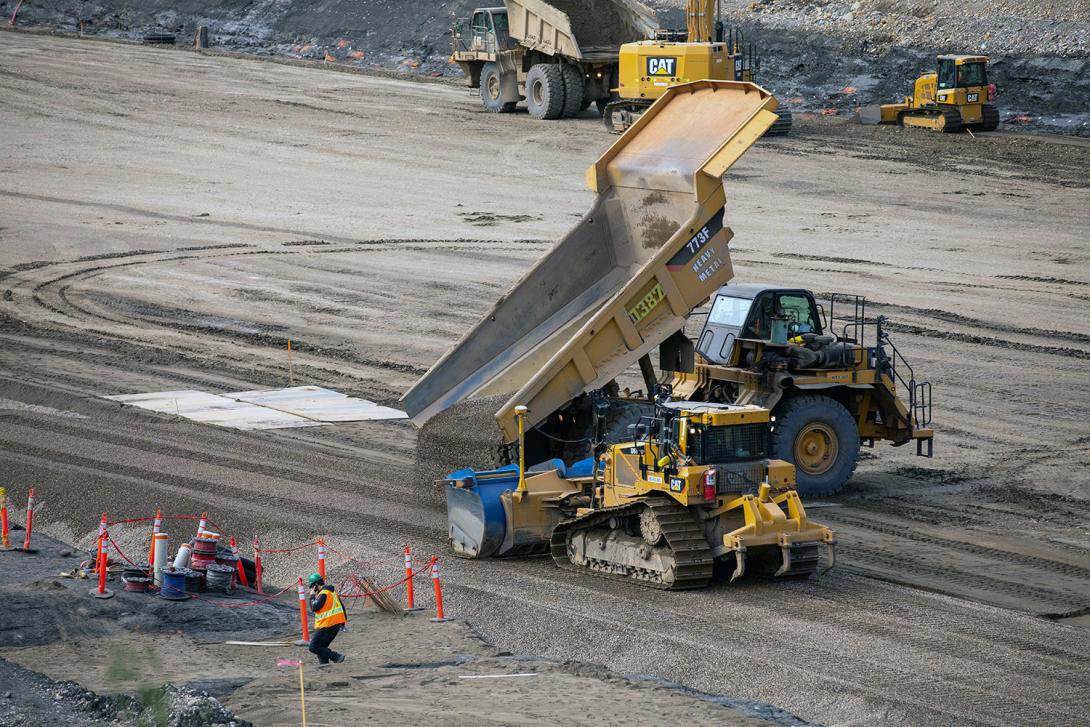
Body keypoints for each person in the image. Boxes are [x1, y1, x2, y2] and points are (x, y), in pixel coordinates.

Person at [307, 573, 346, 666]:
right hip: (334, 624)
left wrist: (312, 596)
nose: (312, 589)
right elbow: (342, 606)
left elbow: (314, 607)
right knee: (321, 648)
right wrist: (343, 622)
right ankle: (324, 665)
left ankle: (336, 656)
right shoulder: (331, 592)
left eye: (312, 587)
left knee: (313, 647)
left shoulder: (324, 593)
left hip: (328, 625)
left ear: (316, 585)